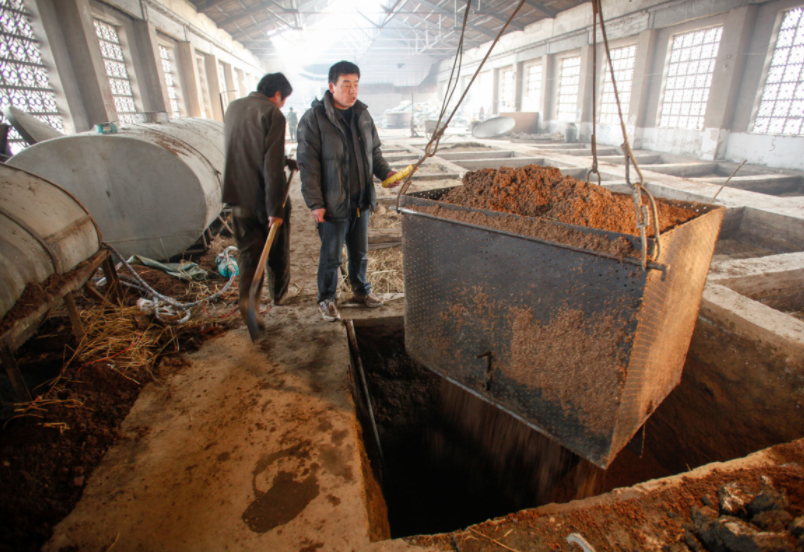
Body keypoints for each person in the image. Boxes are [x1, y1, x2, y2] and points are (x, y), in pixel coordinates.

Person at [297, 61, 398, 322]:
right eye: (346, 85)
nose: (353, 91)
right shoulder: (314, 119)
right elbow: (308, 166)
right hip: (332, 204)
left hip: (361, 200)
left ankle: (361, 292)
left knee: (359, 254)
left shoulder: (363, 114)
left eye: (356, 84)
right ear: (331, 87)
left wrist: (385, 172)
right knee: (331, 257)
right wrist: (315, 203)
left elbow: (374, 152)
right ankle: (327, 298)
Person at [222, 72, 299, 329]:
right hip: (263, 199)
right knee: (276, 250)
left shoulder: (233, 108)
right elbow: (271, 167)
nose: (283, 104)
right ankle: (279, 294)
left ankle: (249, 308)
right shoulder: (272, 113)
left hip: (237, 197)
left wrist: (287, 161)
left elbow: (247, 147)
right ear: (277, 94)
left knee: (247, 256)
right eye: (283, 99)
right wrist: (275, 207)